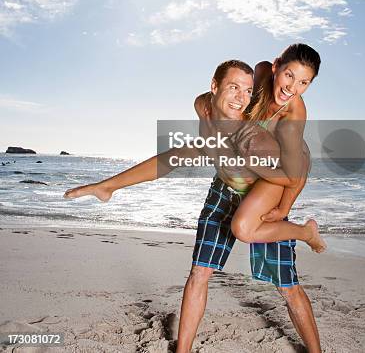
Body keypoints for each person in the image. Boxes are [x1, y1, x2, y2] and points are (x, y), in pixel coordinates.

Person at [64, 49, 323, 352]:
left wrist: (283, 209)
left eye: (303, 82)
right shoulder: (239, 96)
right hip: (226, 186)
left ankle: (306, 234)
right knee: (199, 271)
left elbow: (294, 174)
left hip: (270, 185)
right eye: (289, 75)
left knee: (286, 284)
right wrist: (107, 185)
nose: (292, 87)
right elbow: (170, 157)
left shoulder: (287, 118)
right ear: (275, 67)